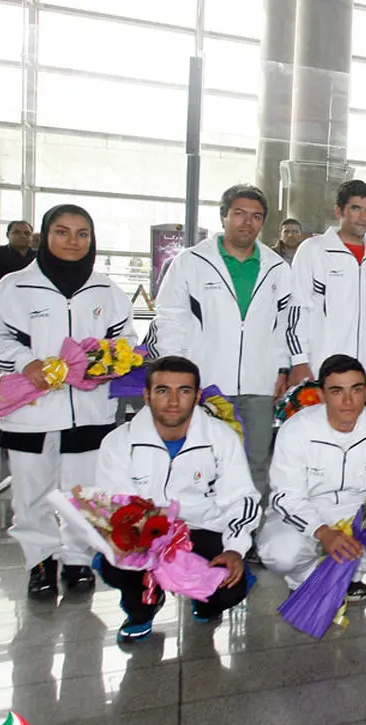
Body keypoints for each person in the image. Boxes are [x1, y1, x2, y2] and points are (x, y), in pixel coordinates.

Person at [0, 204, 135, 599]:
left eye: (82, 233)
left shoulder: (106, 291)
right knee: (33, 492)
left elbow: (126, 341)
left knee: (85, 491)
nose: (73, 241)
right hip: (31, 412)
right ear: (44, 236)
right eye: (62, 232)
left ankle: (78, 559)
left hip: (90, 410)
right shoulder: (15, 287)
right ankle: (41, 561)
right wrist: (25, 363)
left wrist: (105, 362)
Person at [146, 184, 300, 502]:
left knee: (256, 462)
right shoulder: (191, 262)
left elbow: (284, 324)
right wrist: (173, 373)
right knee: (203, 463)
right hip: (206, 382)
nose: (248, 222)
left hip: (259, 383)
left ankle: (248, 529)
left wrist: (283, 367)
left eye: (256, 216)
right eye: (239, 213)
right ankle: (201, 528)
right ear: (223, 217)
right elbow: (171, 319)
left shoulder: (276, 268)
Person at [95, 357, 260, 643]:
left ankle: (204, 600)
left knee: (230, 588)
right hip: (145, 536)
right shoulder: (119, 442)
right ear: (146, 395)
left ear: (197, 396)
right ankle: (142, 608)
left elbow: (241, 498)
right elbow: (115, 506)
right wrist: (145, 539)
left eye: (183, 391)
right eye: (162, 391)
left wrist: (235, 548)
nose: (173, 401)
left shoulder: (220, 437)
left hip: (202, 528)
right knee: (116, 565)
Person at [259, 354, 366, 603]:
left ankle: (349, 576)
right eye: (337, 391)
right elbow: (286, 497)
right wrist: (323, 532)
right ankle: (303, 580)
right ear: (321, 395)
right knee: (281, 553)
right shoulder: (296, 430)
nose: (348, 401)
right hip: (306, 507)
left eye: (356, 390)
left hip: (356, 510)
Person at [286, 180, 366, 410]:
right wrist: (299, 360)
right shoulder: (313, 250)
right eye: (355, 208)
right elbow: (297, 308)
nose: (363, 217)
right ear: (339, 211)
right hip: (322, 368)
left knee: (364, 432)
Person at [0, 220, 37, 293]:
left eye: (27, 233)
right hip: (0, 295)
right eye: (17, 232)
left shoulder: (39, 257)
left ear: (31, 236)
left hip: (33, 295)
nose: (23, 236)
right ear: (8, 235)